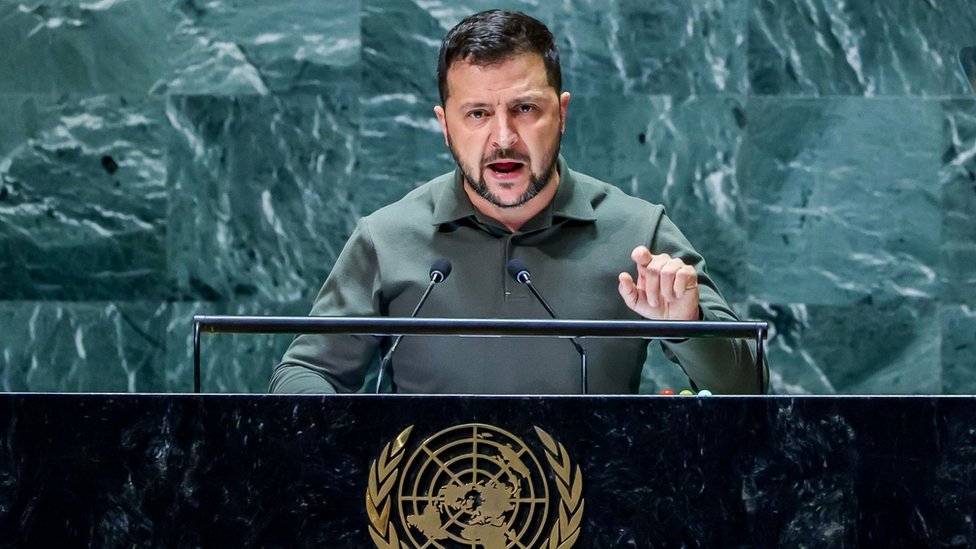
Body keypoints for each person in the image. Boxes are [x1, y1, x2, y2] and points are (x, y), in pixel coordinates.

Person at [270, 9, 766, 395]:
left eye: (525, 109)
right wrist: (340, 429)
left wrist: (689, 326)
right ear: (445, 125)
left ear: (562, 113)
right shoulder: (387, 237)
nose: (503, 138)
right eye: (478, 114)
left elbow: (749, 388)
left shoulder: (640, 233)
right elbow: (306, 372)